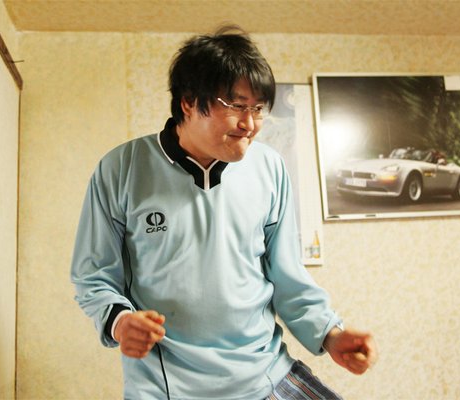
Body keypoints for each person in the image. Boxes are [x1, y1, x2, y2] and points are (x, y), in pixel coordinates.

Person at [71, 25, 377, 400]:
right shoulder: (122, 168)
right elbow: (93, 275)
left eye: (258, 109)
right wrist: (119, 321)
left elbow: (287, 275)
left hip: (266, 373)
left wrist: (330, 334)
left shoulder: (269, 167)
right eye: (235, 106)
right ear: (188, 102)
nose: (250, 124)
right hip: (167, 386)